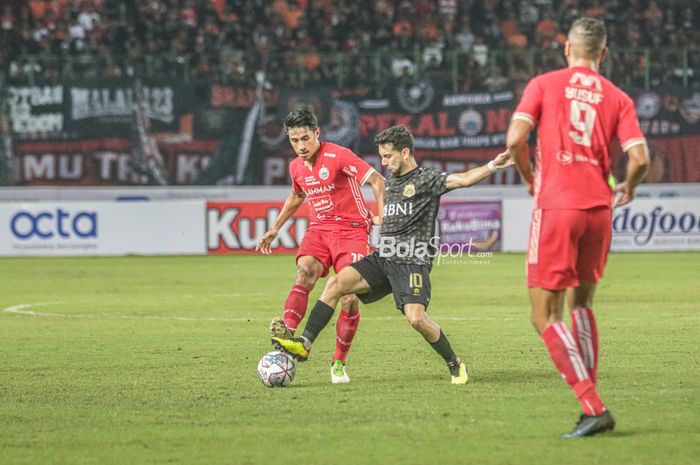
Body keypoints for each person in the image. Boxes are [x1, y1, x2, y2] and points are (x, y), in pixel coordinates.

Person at [272, 125, 512, 384]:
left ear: (405, 152)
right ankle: (304, 343)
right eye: (382, 157)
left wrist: (493, 166)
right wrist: (374, 219)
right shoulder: (392, 182)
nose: (383, 163)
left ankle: (454, 362)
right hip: (384, 257)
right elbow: (392, 215)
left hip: (411, 261)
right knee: (335, 284)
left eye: (388, 156)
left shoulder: (425, 179)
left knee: (416, 319)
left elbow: (462, 179)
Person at [505, 17, 650, 438]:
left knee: (543, 314)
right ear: (603, 54)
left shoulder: (544, 84)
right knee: (581, 306)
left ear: (568, 49)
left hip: (557, 205)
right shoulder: (619, 97)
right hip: (599, 209)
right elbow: (640, 159)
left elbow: (516, 138)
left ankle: (592, 404)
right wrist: (631, 188)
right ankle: (592, 400)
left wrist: (530, 178)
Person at [256, 107, 385, 384]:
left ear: (317, 133)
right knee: (304, 272)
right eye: (294, 140)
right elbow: (296, 195)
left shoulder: (338, 156)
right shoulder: (296, 167)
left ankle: (338, 362)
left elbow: (377, 179)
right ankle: (288, 335)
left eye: (305, 138)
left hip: (351, 231)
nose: (300, 146)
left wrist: (383, 219)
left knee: (349, 298)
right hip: (319, 230)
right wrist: (275, 228)